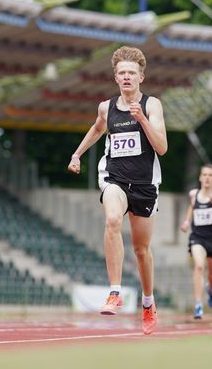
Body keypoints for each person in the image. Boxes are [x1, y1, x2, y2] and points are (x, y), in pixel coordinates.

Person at [67, 46, 167, 335]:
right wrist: (77, 154)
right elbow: (97, 129)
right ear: (115, 78)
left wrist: (142, 120)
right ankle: (114, 291)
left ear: (141, 77)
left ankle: (148, 302)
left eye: (131, 73)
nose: (126, 77)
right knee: (112, 219)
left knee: (141, 249)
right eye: (121, 73)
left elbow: (161, 147)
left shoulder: (152, 105)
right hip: (115, 179)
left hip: (146, 185)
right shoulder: (106, 107)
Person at [180, 164, 212, 320]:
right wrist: (187, 221)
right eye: (204, 175)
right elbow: (192, 206)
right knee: (199, 266)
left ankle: (210, 289)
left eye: (210, 175)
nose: (207, 178)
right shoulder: (194, 194)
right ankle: (198, 304)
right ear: (200, 177)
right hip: (197, 238)